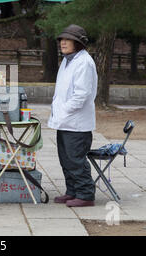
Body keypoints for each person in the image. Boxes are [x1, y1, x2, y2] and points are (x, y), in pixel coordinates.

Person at [48, 24, 98, 207]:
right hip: (65, 121)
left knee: (75, 159)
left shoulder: (84, 62)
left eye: (68, 40)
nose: (63, 42)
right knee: (65, 159)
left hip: (77, 123)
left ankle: (85, 194)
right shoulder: (68, 60)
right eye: (62, 39)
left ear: (79, 43)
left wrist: (64, 110)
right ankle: (72, 191)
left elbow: (82, 94)